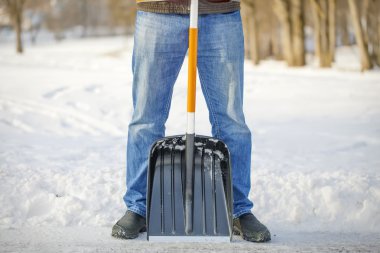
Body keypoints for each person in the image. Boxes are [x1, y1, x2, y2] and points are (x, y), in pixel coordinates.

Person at [111, 0, 271, 243]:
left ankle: (238, 209)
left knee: (232, 120)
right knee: (146, 118)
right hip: (158, 12)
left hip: (220, 13)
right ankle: (139, 206)